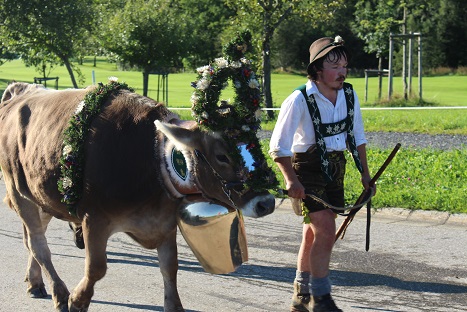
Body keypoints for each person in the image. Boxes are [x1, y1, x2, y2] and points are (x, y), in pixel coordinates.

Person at [269, 36, 374, 312]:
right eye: (335, 66)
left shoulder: (349, 95)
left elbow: (358, 136)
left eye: (345, 66)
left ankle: (301, 295)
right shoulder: (299, 99)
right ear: (317, 69)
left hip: (336, 168)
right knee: (326, 230)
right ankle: (322, 299)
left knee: (313, 234)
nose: (342, 72)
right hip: (307, 170)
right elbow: (278, 146)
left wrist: (365, 173)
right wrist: (291, 179)